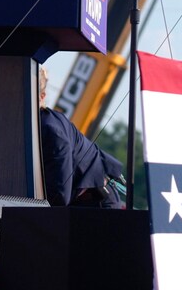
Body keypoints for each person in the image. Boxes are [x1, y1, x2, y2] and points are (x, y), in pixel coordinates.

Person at [39, 67, 124, 208]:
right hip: (79, 202)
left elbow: (59, 196)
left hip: (97, 203)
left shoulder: (51, 131)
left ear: (42, 97)